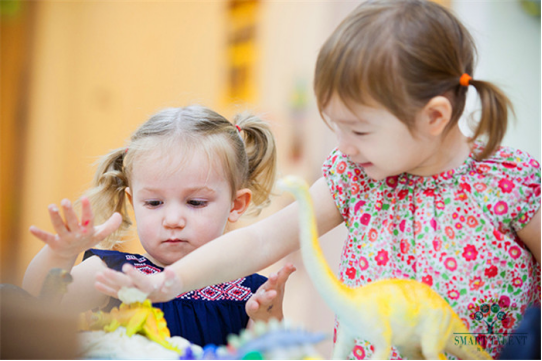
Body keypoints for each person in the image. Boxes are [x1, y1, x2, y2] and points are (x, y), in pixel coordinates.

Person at [97, 0, 540, 358]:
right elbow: (259, 242)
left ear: (434, 116)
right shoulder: (354, 177)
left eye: (360, 131)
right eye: (336, 127)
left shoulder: (512, 183)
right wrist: (166, 283)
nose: (343, 146)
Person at [22, 105, 296, 347]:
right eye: (154, 203)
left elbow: (262, 353)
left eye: (196, 202)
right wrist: (61, 255)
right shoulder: (115, 274)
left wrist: (263, 321)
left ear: (236, 205)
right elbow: (36, 303)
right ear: (133, 202)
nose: (173, 220)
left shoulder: (249, 292)